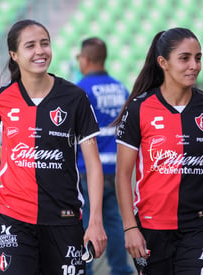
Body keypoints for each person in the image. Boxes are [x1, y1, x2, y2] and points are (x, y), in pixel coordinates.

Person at [0, 19, 107, 275]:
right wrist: (11, 159)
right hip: (15, 217)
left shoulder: (74, 97)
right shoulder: (1, 99)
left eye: (44, 43)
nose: (40, 51)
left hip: (64, 219)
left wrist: (96, 222)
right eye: (30, 45)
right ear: (14, 55)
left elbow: (93, 163)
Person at [113, 27, 203, 274]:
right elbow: (122, 175)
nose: (194, 65)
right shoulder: (139, 108)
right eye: (184, 58)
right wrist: (130, 228)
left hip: (199, 227)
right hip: (150, 230)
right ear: (163, 62)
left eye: (198, 57)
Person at [76, 37, 134, 275]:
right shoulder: (121, 88)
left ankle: (85, 269)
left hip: (89, 170)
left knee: (87, 223)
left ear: (86, 59)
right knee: (114, 223)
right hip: (117, 168)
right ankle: (121, 269)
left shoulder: (80, 90)